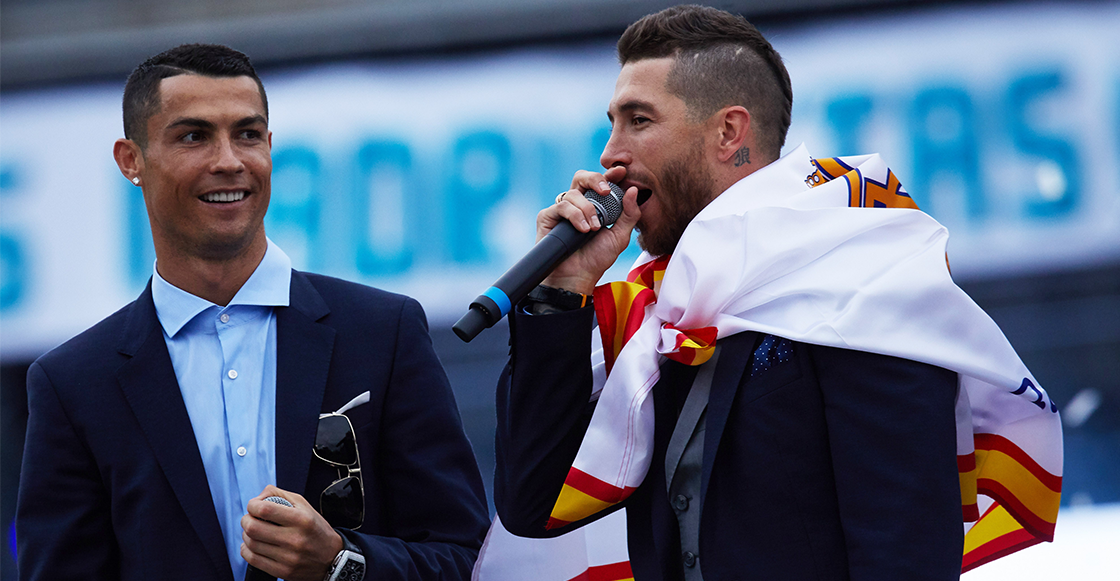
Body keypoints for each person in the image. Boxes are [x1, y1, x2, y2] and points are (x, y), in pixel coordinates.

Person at [490, 5, 1061, 581]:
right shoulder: (660, 310)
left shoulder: (863, 279)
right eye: (613, 123)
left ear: (728, 133)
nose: (611, 153)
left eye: (638, 120)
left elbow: (902, 548)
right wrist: (560, 296)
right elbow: (532, 503)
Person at [16, 44, 490, 581]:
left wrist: (342, 563)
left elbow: (465, 559)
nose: (228, 161)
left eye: (246, 134)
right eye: (193, 136)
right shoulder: (73, 384)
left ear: (269, 146)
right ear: (132, 161)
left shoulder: (384, 332)